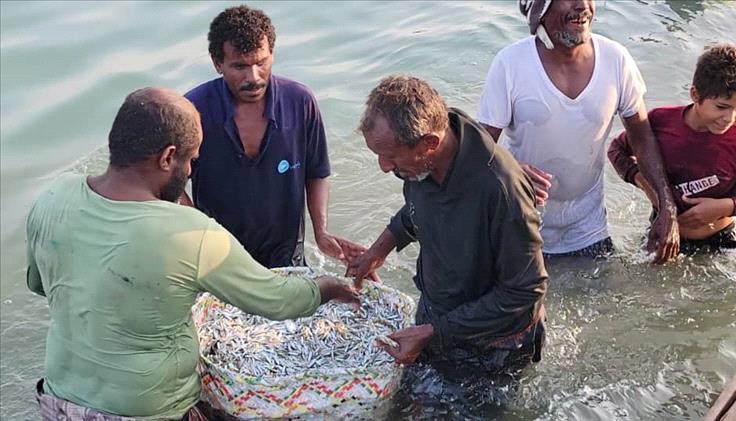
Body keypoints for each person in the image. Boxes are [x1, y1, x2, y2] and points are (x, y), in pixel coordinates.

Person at [26, 87, 358, 420]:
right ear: (167, 157)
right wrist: (328, 287)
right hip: (148, 412)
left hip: (58, 403)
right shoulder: (189, 231)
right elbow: (278, 300)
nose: (189, 171)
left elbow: (39, 283)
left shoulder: (54, 196)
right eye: (191, 160)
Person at [347, 75, 547, 411]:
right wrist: (377, 251)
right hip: (436, 321)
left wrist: (432, 332)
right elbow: (416, 212)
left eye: (391, 159)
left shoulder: (500, 190)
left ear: (429, 142)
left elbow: (525, 290)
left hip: (493, 348)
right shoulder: (420, 165)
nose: (384, 168)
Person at [478, 0, 680, 262]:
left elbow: (642, 139)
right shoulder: (510, 64)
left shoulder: (616, 59)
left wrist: (667, 206)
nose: (582, 6)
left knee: (607, 302)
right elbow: (478, 148)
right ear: (539, 11)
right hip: (520, 226)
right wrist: (510, 169)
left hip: (588, 228)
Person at [185, 5, 364, 268]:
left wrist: (321, 231)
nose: (254, 77)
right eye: (240, 66)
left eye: (261, 62)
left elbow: (316, 172)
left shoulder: (300, 102)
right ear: (217, 63)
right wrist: (199, 236)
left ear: (272, 54)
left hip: (287, 256)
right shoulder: (193, 111)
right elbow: (167, 184)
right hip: (220, 261)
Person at [608, 44, 736, 252]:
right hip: (662, 229)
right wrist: (650, 188)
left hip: (721, 240)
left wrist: (724, 207)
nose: (729, 118)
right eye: (721, 107)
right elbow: (616, 150)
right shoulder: (661, 122)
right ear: (695, 94)